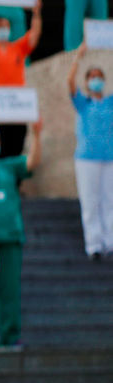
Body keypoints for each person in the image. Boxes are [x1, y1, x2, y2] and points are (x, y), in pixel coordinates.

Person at [0, 121, 39, 350]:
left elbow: (31, 162)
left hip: (10, 236)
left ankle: (10, 337)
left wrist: (37, 134)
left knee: (10, 290)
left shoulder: (9, 166)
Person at [68, 43, 113, 258]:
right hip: (87, 159)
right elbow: (70, 83)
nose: (96, 80)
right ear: (87, 82)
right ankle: (94, 244)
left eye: (99, 76)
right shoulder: (83, 102)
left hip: (109, 158)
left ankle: (109, 241)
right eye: (92, 77)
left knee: (109, 200)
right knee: (90, 201)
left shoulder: (110, 102)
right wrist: (78, 56)